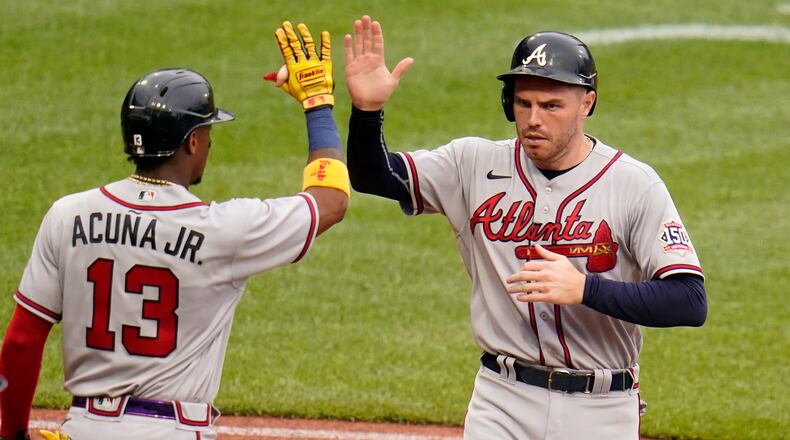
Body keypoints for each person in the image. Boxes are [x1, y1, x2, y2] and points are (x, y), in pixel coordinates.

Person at [344, 15, 707, 439]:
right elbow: (373, 177)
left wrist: (585, 289)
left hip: (600, 407)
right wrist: (367, 113)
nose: (534, 119)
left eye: (551, 106)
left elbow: (689, 301)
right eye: (523, 104)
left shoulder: (634, 184)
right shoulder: (473, 164)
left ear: (586, 104)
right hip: (503, 399)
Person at [0, 20, 348, 440]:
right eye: (207, 131)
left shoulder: (67, 215)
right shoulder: (224, 230)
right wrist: (317, 103)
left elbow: (21, 342)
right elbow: (331, 201)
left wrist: (13, 433)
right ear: (193, 142)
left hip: (86, 428)